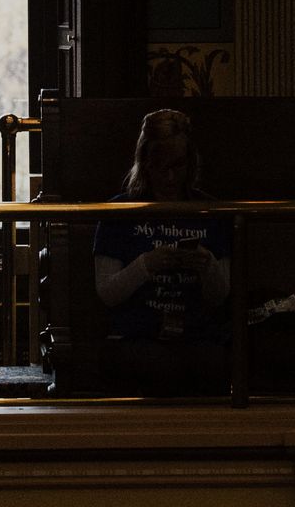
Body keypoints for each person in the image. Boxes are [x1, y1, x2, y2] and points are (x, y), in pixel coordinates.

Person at [91, 109, 232, 396]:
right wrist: (147, 264)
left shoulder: (212, 212)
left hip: (197, 333)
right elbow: (107, 292)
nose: (169, 176)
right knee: (155, 364)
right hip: (137, 334)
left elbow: (221, 297)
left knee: (212, 362)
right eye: (159, 166)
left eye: (177, 166)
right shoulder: (119, 212)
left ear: (190, 164)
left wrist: (207, 267)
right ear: (144, 163)